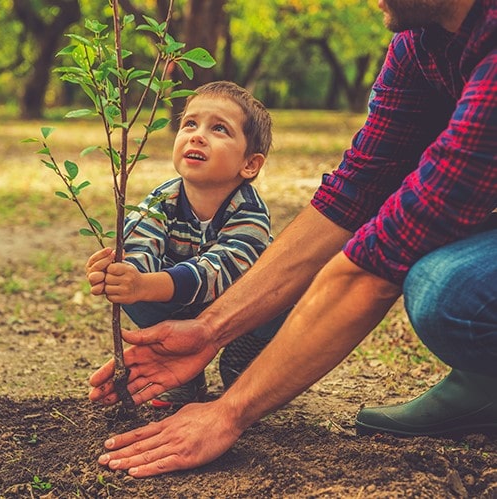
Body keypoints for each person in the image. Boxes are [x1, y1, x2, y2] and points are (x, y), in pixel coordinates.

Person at [88, 0, 497, 478]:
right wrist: (208, 330)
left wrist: (230, 410)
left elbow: (380, 261)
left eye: (218, 129)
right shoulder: (418, 44)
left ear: (251, 162)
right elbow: (356, 192)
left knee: (446, 291)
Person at [86, 80, 280, 409]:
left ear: (250, 164)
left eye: (219, 129)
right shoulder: (164, 198)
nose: (197, 135)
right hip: (182, 305)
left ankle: (247, 358)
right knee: (136, 294)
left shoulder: (250, 212)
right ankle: (184, 373)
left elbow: (219, 272)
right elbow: (140, 243)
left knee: (283, 299)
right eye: (190, 123)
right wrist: (123, 274)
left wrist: (147, 284)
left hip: (240, 311)